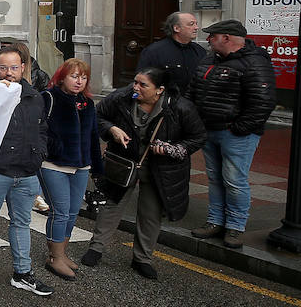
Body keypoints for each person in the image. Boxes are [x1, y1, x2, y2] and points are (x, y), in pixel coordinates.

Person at [87, 67, 206, 278]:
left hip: (161, 169)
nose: (136, 88)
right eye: (135, 82)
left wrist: (172, 148)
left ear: (160, 90)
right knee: (112, 205)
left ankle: (142, 259)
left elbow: (196, 137)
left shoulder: (180, 107)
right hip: (123, 163)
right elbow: (97, 116)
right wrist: (111, 129)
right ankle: (96, 248)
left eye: (143, 85)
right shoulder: (122, 98)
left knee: (150, 214)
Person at [0, 45, 52, 297]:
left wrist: (40, 154)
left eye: (14, 67)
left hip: (26, 172)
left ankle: (22, 272)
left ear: (23, 68)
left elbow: (42, 129)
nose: (9, 73)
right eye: (3, 67)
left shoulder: (35, 96)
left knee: (21, 223)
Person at [186, 20, 277, 248]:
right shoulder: (209, 60)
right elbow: (193, 90)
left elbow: (263, 102)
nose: (208, 39)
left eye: (212, 36)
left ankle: (235, 227)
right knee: (215, 178)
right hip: (209, 129)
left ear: (226, 38)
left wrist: (238, 128)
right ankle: (215, 221)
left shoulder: (255, 62)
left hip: (236, 134)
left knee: (234, 180)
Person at [38, 60, 104, 280]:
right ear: (62, 77)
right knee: (60, 211)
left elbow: (93, 136)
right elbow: (40, 131)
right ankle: (54, 258)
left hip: (81, 165)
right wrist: (53, 148)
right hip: (54, 165)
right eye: (74, 76)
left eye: (83, 77)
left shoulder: (87, 103)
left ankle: (62, 253)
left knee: (73, 212)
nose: (79, 81)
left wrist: (97, 167)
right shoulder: (49, 97)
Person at [137, 12, 206, 98]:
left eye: (196, 24)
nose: (196, 27)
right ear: (176, 28)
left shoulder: (200, 51)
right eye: (191, 24)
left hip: (194, 103)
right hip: (167, 104)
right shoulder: (154, 51)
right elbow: (143, 80)